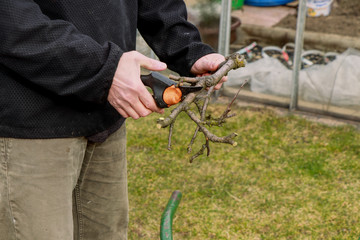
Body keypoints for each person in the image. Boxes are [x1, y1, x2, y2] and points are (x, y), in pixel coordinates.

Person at [0, 0, 226, 239]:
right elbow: (9, 17)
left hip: (104, 116)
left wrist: (187, 49)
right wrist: (103, 70)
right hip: (30, 122)